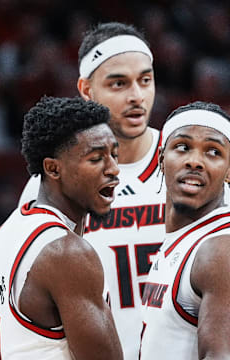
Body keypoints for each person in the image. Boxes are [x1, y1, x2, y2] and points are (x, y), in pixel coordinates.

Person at [18, 22, 164, 359]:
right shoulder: (51, 183)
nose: (136, 96)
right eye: (118, 83)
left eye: (145, 80)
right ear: (86, 89)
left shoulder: (187, 168)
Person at [0, 96, 123, 359]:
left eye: (114, 154)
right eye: (96, 158)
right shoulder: (67, 254)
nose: (113, 169)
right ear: (53, 169)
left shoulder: (12, 225)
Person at [140, 101, 230, 359]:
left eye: (213, 152)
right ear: (160, 160)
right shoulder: (183, 240)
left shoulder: (219, 249)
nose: (195, 162)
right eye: (182, 147)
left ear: (229, 170)